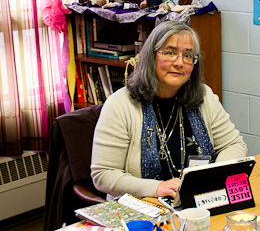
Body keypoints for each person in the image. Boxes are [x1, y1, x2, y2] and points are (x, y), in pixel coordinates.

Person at [91, 20, 247, 200]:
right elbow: (103, 175)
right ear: (151, 57)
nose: (180, 62)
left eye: (188, 55)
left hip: (197, 202)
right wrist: (156, 188)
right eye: (170, 53)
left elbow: (234, 145)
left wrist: (213, 175)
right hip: (141, 209)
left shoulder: (204, 96)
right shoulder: (120, 105)